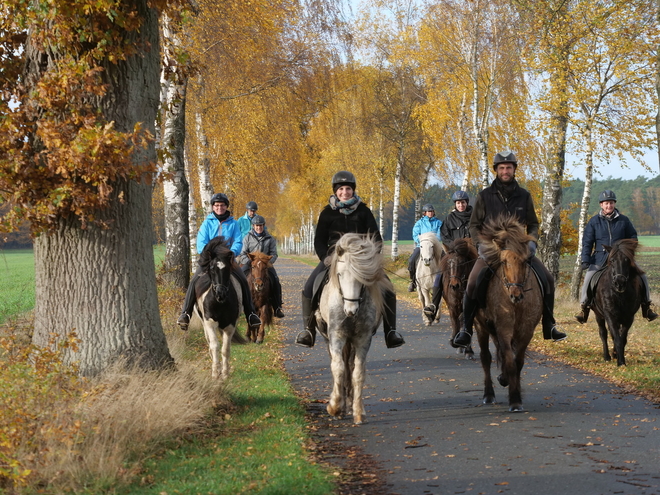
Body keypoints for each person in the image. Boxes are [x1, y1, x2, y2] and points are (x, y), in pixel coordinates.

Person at [453, 151, 567, 348]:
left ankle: (549, 325)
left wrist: (531, 242)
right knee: (473, 281)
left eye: (509, 167)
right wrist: (479, 245)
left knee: (547, 278)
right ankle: (466, 329)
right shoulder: (484, 196)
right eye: (502, 168)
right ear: (496, 171)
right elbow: (474, 225)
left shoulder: (524, 195)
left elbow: (533, 224)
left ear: (514, 170)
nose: (505, 171)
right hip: (491, 249)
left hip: (518, 251)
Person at [295, 171, 405, 349]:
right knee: (310, 287)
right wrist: (326, 258)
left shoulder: (364, 211)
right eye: (341, 189)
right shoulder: (327, 213)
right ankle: (308, 330)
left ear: (353, 191)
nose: (344, 192)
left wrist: (371, 258)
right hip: (334, 260)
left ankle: (390, 331)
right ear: (335, 191)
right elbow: (319, 240)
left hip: (361, 260)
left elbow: (376, 238)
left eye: (348, 189)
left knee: (388, 288)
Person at [177, 193, 262, 330]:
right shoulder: (207, 223)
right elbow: (201, 243)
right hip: (210, 260)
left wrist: (231, 253)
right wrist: (210, 254)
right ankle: (185, 314)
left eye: (222, 205)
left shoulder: (233, 223)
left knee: (242, 280)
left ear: (226, 206)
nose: (219, 207)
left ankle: (251, 314)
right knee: (194, 280)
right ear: (213, 207)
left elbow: (238, 241)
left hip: (228, 260)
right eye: (216, 205)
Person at [575, 190, 658, 323]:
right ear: (601, 205)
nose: (609, 206)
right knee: (588, 279)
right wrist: (585, 259)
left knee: (642, 276)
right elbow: (587, 242)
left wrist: (628, 251)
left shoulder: (624, 220)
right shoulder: (594, 221)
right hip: (600, 258)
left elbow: (633, 237)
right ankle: (584, 308)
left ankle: (647, 307)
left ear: (614, 204)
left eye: (611, 203)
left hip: (621, 258)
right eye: (607, 203)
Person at [423, 190, 472, 320]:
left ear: (466, 203)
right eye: (458, 203)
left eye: (463, 202)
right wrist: (455, 248)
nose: (461, 205)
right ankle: (434, 304)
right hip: (454, 254)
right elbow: (445, 237)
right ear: (455, 204)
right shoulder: (449, 219)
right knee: (440, 273)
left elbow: (480, 234)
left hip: (472, 254)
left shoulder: (474, 217)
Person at [238, 214, 286, 318]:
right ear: (253, 226)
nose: (259, 227)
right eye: (257, 226)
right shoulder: (247, 238)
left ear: (263, 226)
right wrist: (250, 262)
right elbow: (242, 254)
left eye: (260, 225)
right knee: (239, 277)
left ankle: (277, 307)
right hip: (251, 264)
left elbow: (274, 254)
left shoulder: (270, 238)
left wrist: (267, 264)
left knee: (276, 280)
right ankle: (237, 304)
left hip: (265, 265)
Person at [407, 204, 442, 292]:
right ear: (425, 213)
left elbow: (440, 234)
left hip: (435, 246)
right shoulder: (419, 223)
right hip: (421, 246)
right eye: (429, 212)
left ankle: (445, 281)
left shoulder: (438, 222)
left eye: (432, 211)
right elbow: (415, 235)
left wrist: (432, 241)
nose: (430, 213)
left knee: (446, 260)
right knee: (411, 261)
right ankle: (413, 281)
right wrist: (423, 242)